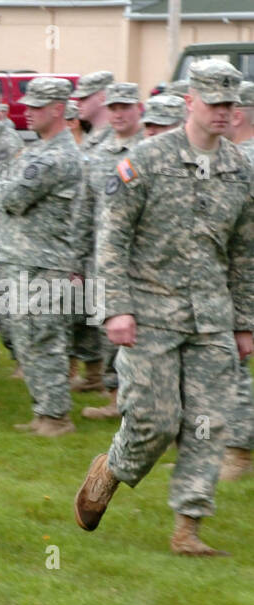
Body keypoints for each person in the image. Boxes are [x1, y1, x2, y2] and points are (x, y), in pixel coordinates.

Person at [74, 59, 254, 556]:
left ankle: (187, 528)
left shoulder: (241, 170)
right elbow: (112, 238)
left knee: (207, 421)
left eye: (229, 104)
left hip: (212, 317)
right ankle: (111, 469)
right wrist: (115, 308)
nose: (222, 112)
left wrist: (244, 322)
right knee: (154, 419)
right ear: (190, 102)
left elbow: (244, 252)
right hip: (149, 311)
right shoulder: (146, 161)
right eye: (213, 102)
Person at [0, 76, 84, 436]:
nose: (27, 113)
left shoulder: (55, 157)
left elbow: (8, 198)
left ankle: (57, 417)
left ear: (58, 110)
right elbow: (2, 191)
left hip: (43, 263)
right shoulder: (37, 151)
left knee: (43, 339)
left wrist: (7, 185)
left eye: (36, 107)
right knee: (29, 338)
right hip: (24, 259)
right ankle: (45, 412)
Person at [73, 83, 144, 419]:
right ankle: (116, 398)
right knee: (108, 330)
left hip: (143, 259)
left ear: (138, 110)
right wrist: (77, 260)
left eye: (125, 107)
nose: (118, 114)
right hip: (105, 257)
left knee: (143, 332)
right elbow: (85, 210)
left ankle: (143, 402)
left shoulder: (150, 151)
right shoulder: (99, 156)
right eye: (113, 108)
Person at [220, 81, 254, 482]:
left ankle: (238, 454)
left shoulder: (240, 162)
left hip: (239, 276)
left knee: (234, 365)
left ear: (239, 115)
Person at [72, 71, 115, 151]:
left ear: (103, 97)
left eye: (84, 98)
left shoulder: (117, 135)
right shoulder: (89, 136)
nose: (78, 104)